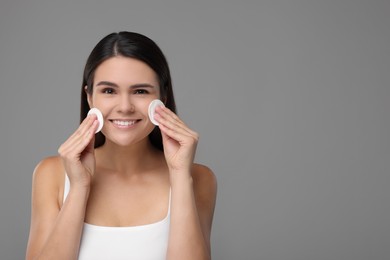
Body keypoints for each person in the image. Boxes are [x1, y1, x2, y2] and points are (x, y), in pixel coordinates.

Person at [26, 31, 217, 260]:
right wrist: (79, 188)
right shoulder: (51, 175)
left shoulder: (198, 178)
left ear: (163, 97)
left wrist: (178, 175)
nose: (125, 107)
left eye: (140, 91)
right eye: (109, 91)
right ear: (89, 98)